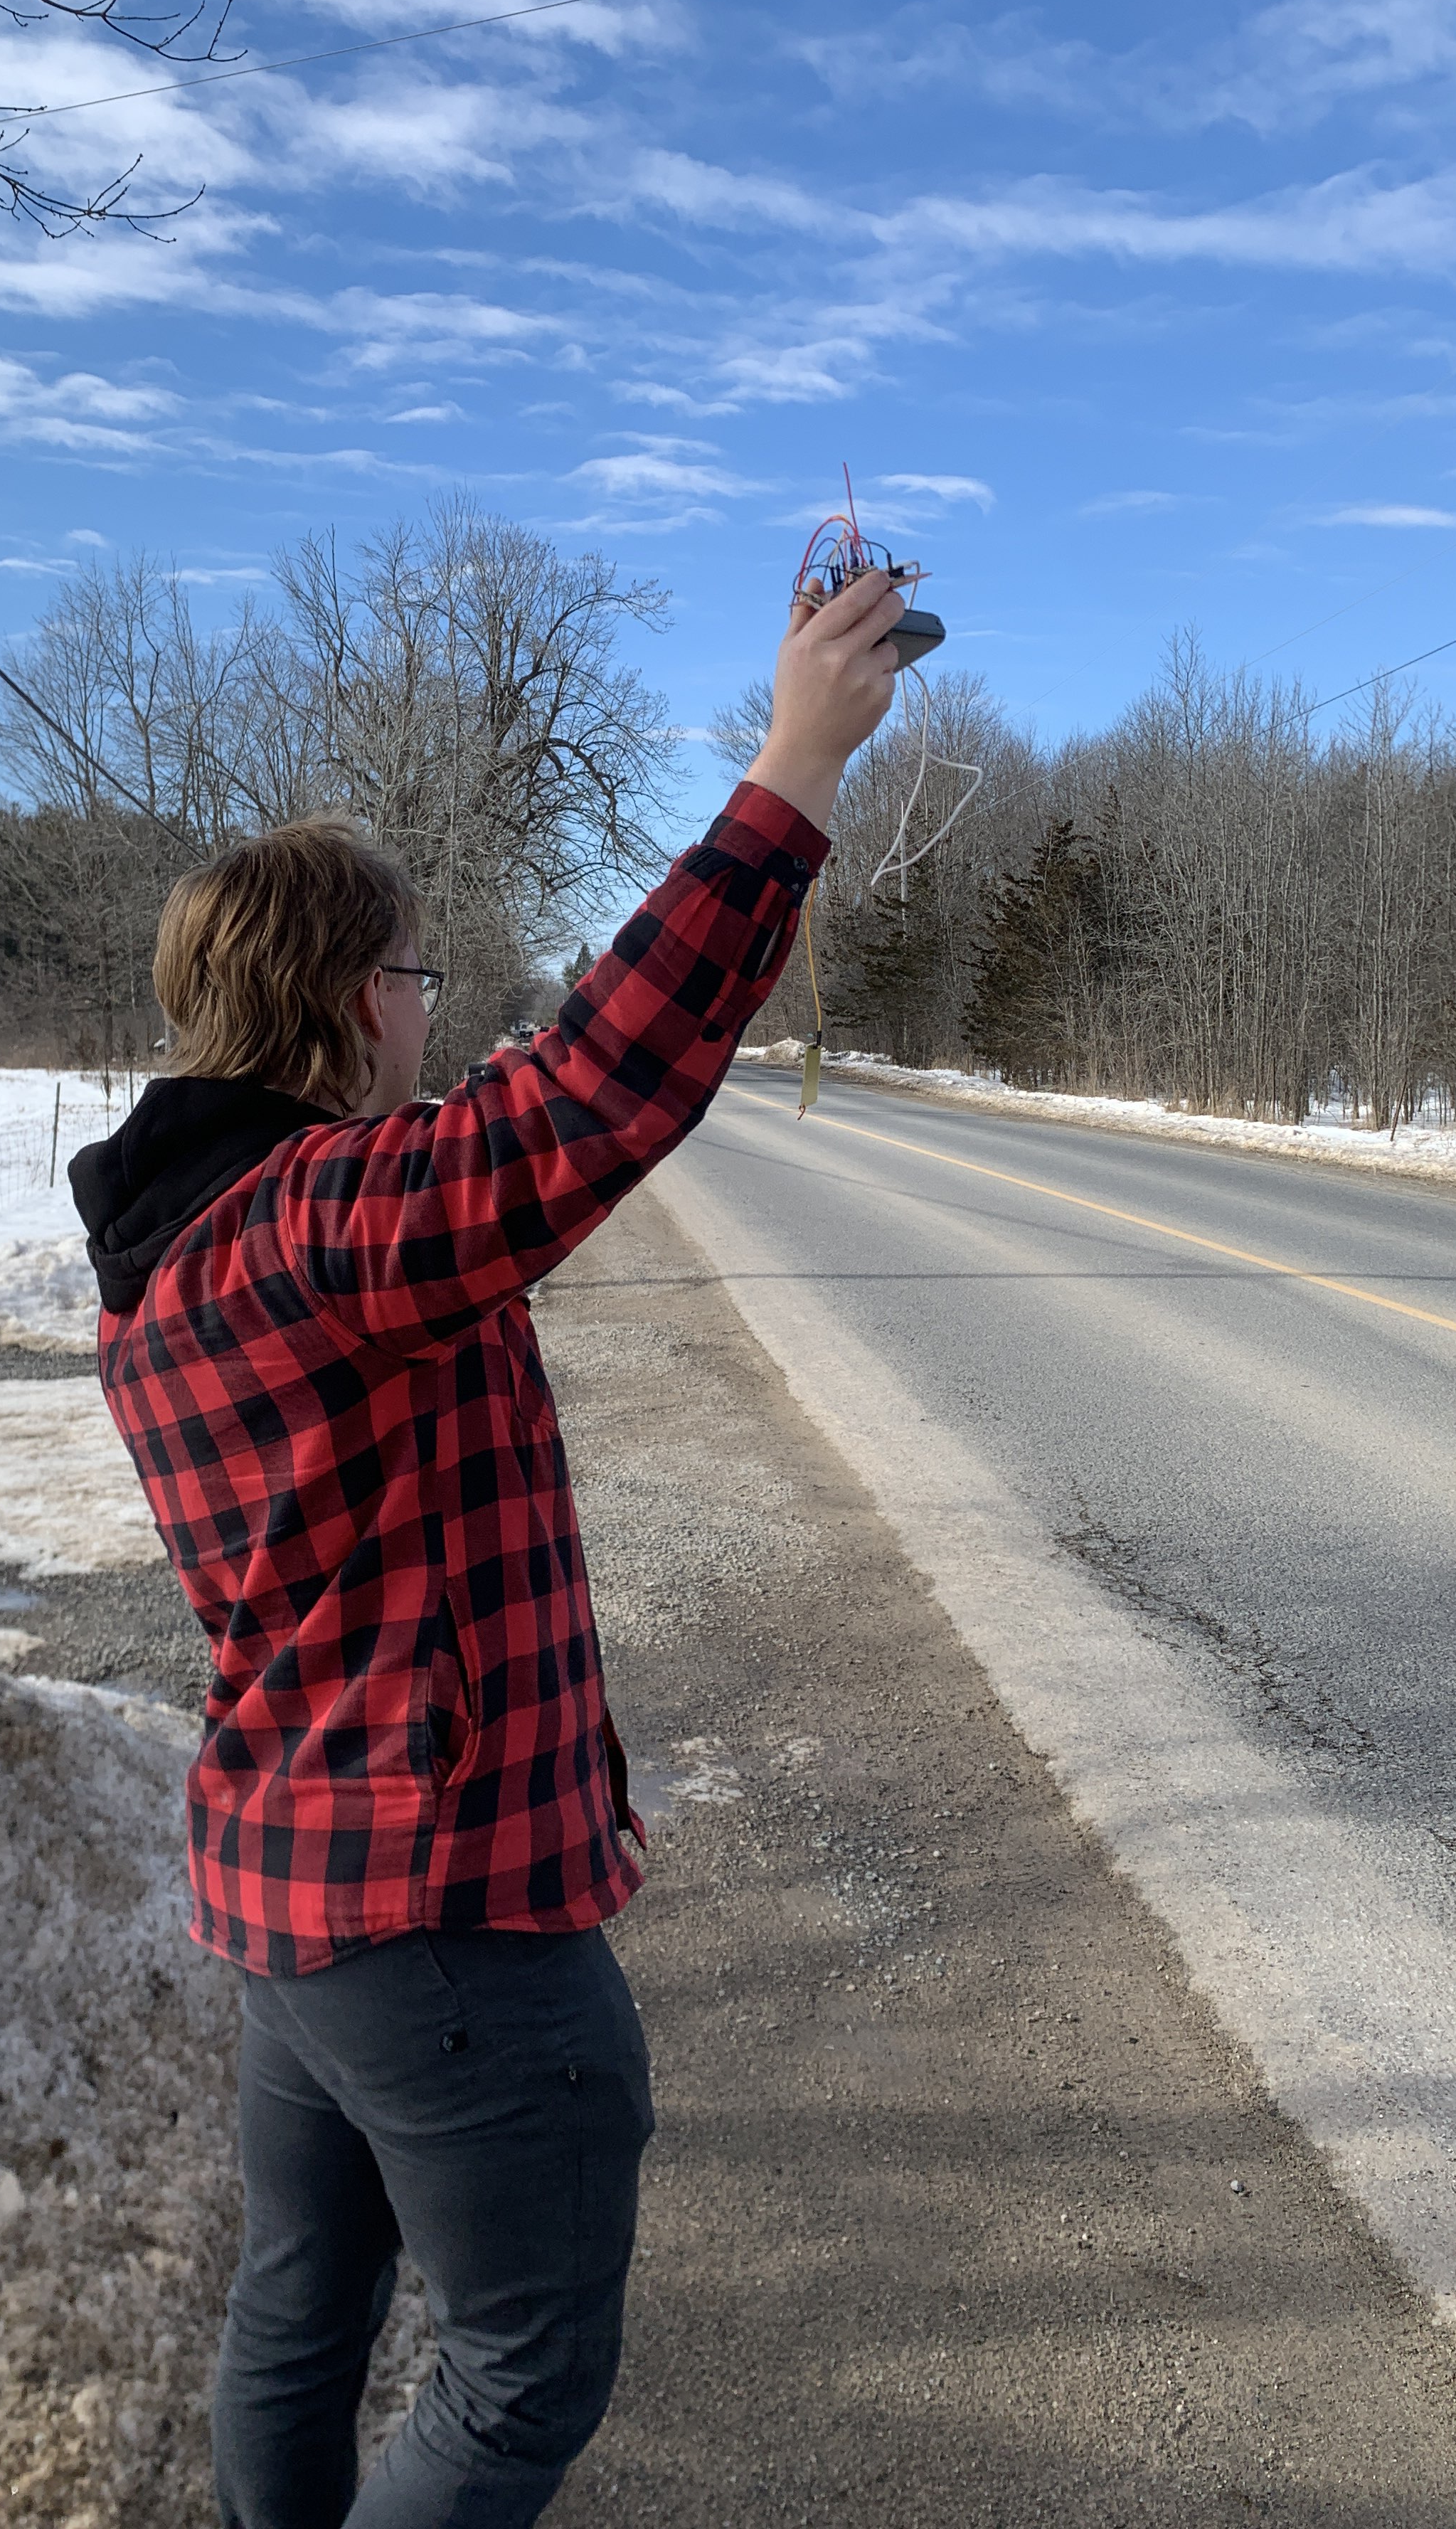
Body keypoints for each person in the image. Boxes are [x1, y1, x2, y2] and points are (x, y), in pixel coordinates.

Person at [69, 562, 907, 2529]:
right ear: (362, 999)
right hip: (443, 1911)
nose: (438, 1010)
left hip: (300, 1895)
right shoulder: (318, 1229)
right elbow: (590, 1095)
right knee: (522, 2375)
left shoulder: (174, 1243)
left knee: (303, 2308)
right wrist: (792, 770)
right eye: (423, 977)